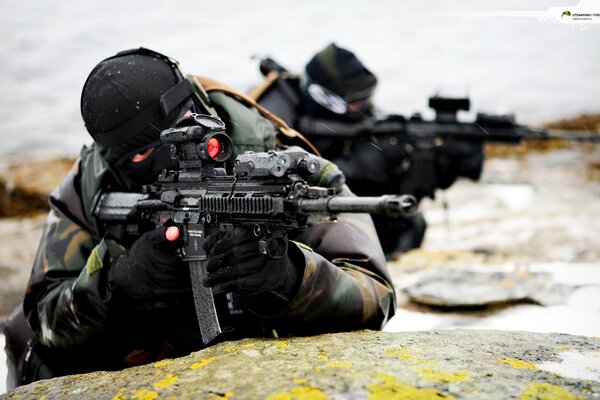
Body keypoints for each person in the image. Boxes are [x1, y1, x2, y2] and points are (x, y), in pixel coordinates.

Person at [3, 48, 395, 388]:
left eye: (186, 123)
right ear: (116, 158)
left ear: (197, 103)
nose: (176, 152)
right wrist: (118, 286)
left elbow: (375, 294)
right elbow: (44, 320)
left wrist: (291, 279)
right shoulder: (92, 184)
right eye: (144, 155)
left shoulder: (278, 162)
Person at [251, 43, 431, 256]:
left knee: (410, 223)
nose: (362, 108)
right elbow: (273, 190)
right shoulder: (268, 117)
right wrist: (357, 168)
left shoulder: (351, 114)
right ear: (324, 97)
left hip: (336, 199)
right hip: (287, 228)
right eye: (354, 104)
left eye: (366, 99)